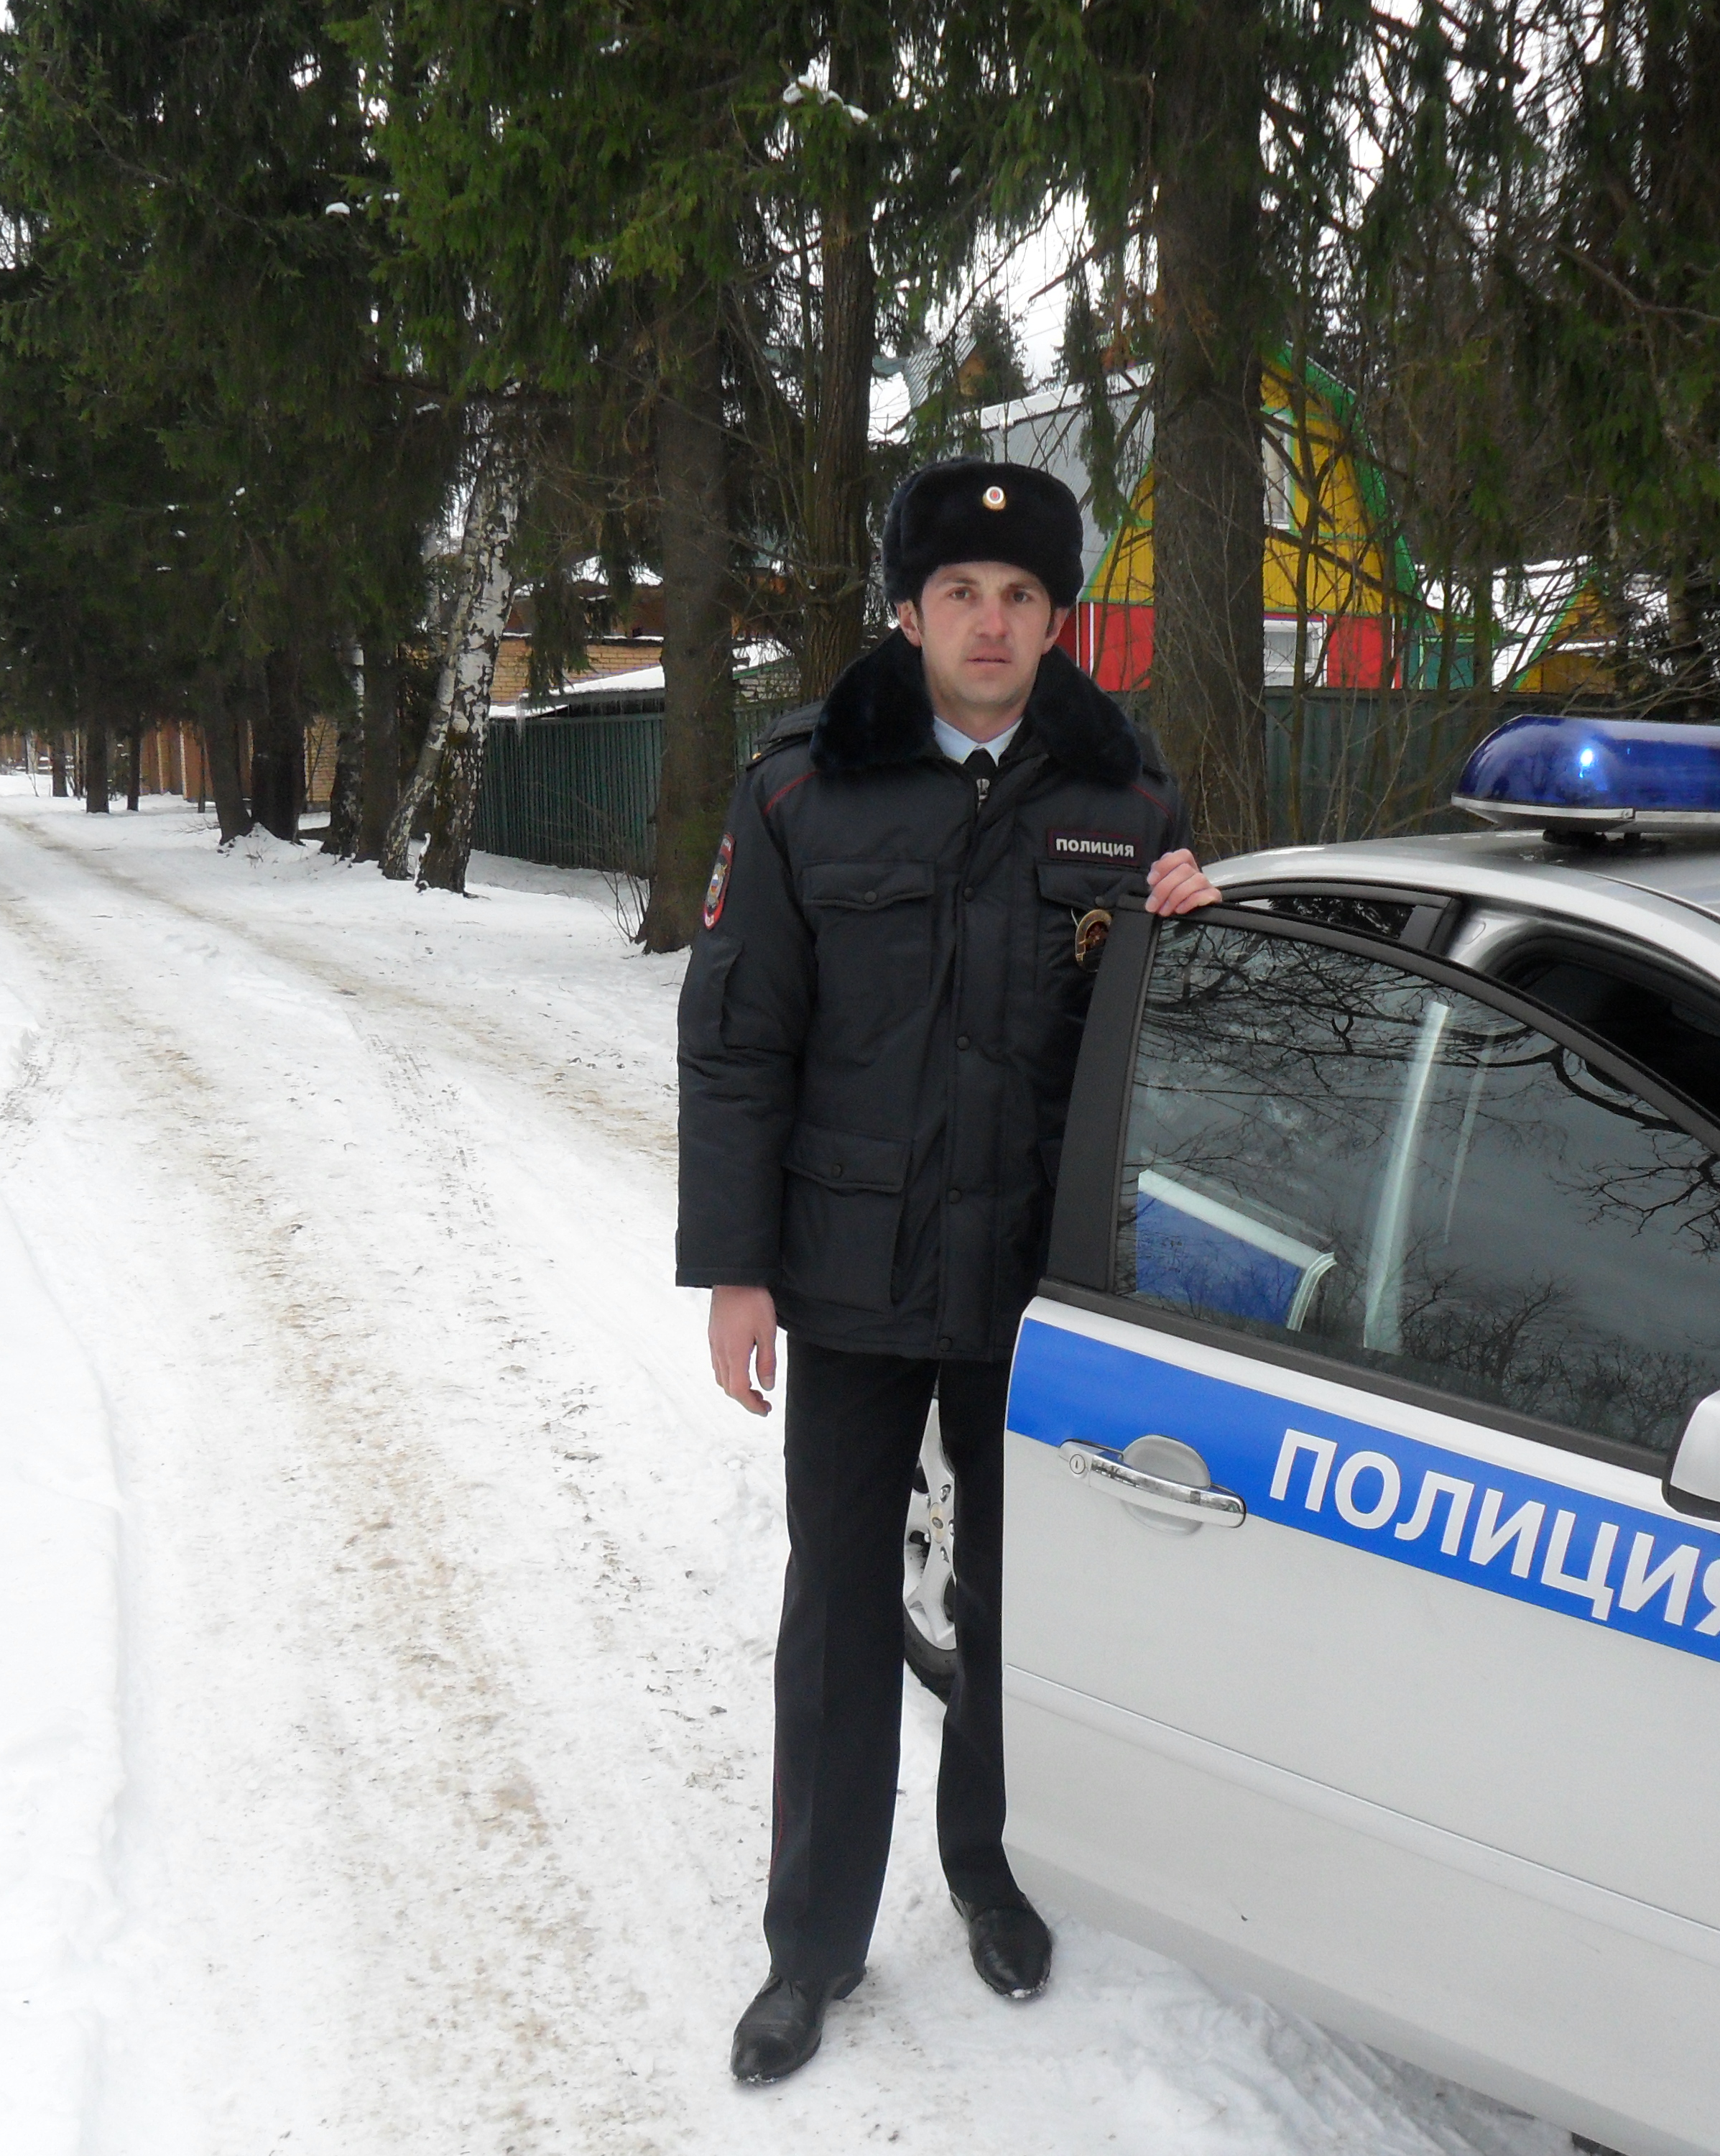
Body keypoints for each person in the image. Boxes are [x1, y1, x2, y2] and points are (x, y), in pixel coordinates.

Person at [677, 459, 1221, 2084]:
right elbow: (738, 1041)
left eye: (1022, 596)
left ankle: (989, 1874)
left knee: (1009, 1600)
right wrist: (737, 1270)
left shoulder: (1130, 804)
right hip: (847, 1272)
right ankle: (812, 1945)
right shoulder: (801, 789)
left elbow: (1164, 1056)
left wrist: (1196, 928)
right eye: (961, 594)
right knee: (841, 1609)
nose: (991, 623)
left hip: (1035, 1285)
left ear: (1061, 623)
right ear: (908, 613)